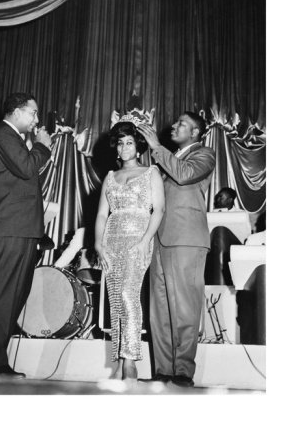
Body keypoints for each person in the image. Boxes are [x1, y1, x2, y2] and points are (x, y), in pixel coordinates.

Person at [138, 111, 216, 387]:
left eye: (181, 124)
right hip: (159, 237)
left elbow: (184, 176)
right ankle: (163, 369)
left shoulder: (204, 154)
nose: (174, 125)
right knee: (158, 309)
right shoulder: (168, 158)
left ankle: (183, 370)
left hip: (186, 238)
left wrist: (156, 148)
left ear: (195, 132)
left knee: (184, 307)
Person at [0, 92, 52, 379]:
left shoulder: (10, 137)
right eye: (33, 113)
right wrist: (42, 147)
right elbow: (26, 167)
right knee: (2, 295)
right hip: (9, 227)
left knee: (13, 296)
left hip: (20, 228)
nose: (36, 120)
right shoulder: (3, 134)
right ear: (17, 112)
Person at [95, 115, 165, 381]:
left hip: (138, 239)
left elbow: (158, 209)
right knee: (115, 300)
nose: (124, 148)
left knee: (129, 294)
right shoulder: (110, 176)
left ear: (138, 146)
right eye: (120, 143)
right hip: (111, 240)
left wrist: (145, 240)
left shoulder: (151, 173)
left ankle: (130, 361)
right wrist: (98, 244)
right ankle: (120, 360)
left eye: (129, 142)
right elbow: (102, 214)